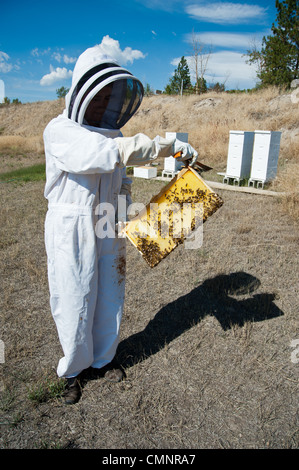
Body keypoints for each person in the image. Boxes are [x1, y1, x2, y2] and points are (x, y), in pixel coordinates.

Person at [43, 45, 198, 404]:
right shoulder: (60, 130)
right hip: (71, 225)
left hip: (107, 221)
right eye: (100, 97)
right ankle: (72, 370)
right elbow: (102, 156)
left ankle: (102, 360)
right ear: (83, 92)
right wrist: (167, 145)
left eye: (109, 98)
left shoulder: (111, 136)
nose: (105, 105)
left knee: (110, 293)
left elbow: (121, 179)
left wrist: (127, 213)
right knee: (75, 295)